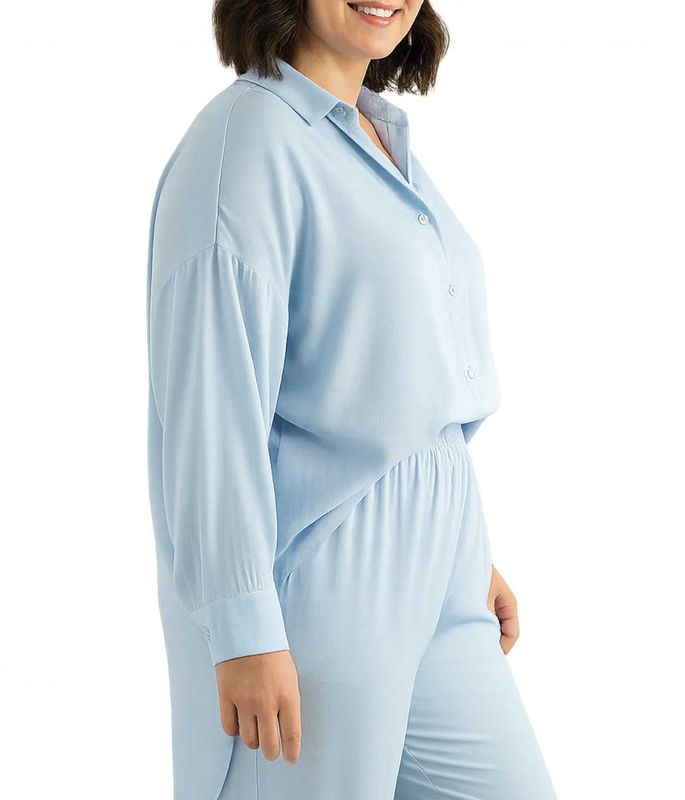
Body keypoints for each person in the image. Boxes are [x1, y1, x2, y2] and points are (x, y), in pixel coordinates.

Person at [146, 1, 557, 797]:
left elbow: (386, 376)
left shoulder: (375, 134)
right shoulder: (248, 142)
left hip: (443, 567)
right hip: (327, 575)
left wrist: (460, 548)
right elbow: (211, 409)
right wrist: (241, 626)